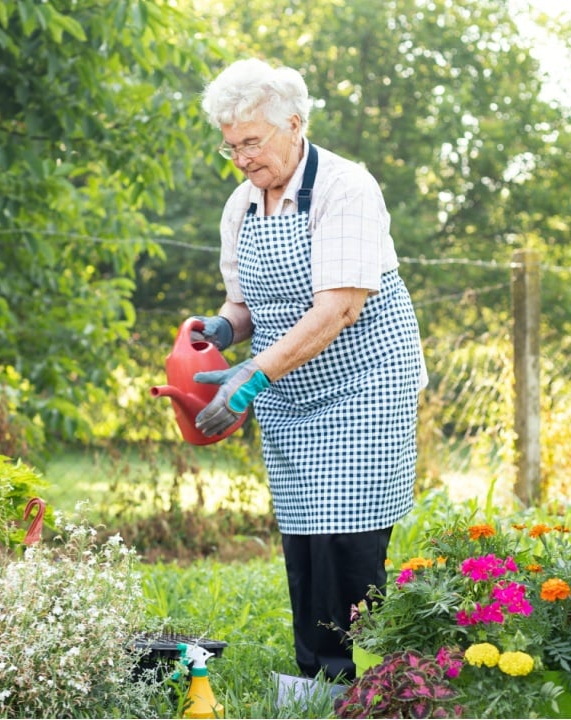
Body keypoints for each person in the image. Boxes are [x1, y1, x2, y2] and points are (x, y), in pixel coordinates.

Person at [188, 57, 428, 683]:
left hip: (364, 378)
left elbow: (340, 306)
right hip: (290, 389)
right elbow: (243, 305)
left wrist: (254, 374)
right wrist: (221, 330)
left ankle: (367, 678)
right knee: (305, 537)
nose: (241, 157)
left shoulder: (346, 188)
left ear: (294, 124)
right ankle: (314, 678)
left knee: (350, 537)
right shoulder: (241, 206)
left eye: (251, 142)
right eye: (230, 145)